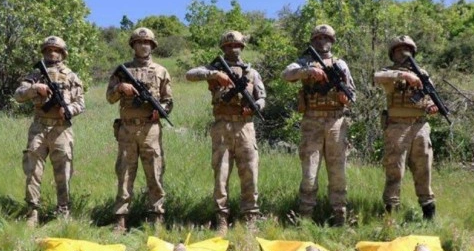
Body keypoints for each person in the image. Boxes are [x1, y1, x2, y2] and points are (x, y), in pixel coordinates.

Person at [185, 30, 266, 234]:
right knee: (221, 173)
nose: (233, 49)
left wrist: (255, 105)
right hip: (222, 126)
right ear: (223, 48)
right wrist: (214, 74)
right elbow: (190, 74)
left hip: (245, 126)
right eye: (229, 46)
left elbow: (263, 98)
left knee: (250, 172)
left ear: (242, 47)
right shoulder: (214, 68)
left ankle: (250, 217)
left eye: (237, 45)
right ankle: (221, 218)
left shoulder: (251, 73)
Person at [281, 24, 356, 226]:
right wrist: (308, 71)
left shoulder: (340, 65)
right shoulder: (304, 62)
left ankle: (340, 216)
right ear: (313, 41)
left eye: (326, 38)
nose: (322, 42)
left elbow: (352, 93)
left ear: (332, 41)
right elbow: (287, 74)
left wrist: (344, 97)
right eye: (318, 38)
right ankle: (305, 218)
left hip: (336, 121)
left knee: (338, 171)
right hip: (312, 121)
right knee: (309, 172)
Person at [106, 27, 173, 233]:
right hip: (127, 129)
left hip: (150, 128)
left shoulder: (161, 71)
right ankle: (121, 218)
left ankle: (156, 215)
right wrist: (120, 88)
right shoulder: (122, 70)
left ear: (152, 46)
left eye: (147, 43)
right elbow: (110, 98)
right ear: (133, 45)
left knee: (154, 171)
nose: (143, 46)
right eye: (139, 42)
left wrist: (160, 112)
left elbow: (168, 100)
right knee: (125, 173)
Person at [14, 36, 85, 227]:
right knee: (33, 170)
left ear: (62, 53)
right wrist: (34, 89)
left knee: (63, 171)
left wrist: (69, 110)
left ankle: (63, 210)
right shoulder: (35, 75)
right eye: (48, 50)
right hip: (39, 126)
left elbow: (81, 102)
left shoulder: (71, 76)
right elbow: (18, 95)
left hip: (61, 128)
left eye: (56, 50)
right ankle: (32, 211)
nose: (52, 53)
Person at [373, 35, 438, 220]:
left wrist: (432, 105)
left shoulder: (422, 73)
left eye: (407, 49)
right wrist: (403, 75)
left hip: (419, 126)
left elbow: (431, 95)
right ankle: (390, 212)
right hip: (396, 127)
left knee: (423, 169)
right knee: (395, 170)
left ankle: (428, 212)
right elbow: (377, 76)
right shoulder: (389, 72)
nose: (404, 53)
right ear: (392, 54)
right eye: (399, 50)